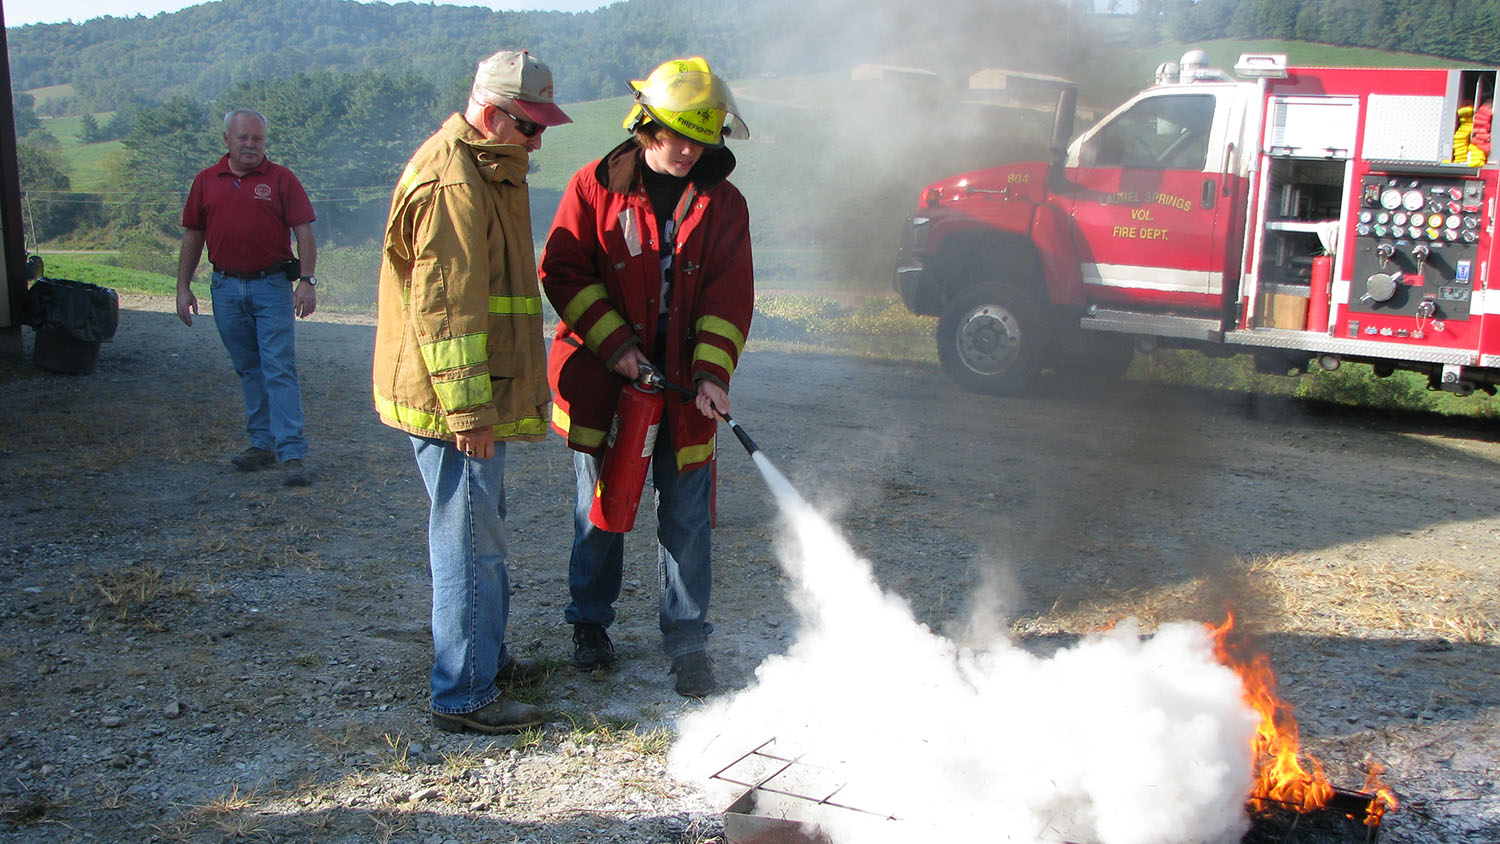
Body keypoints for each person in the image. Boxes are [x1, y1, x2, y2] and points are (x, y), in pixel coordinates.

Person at [540, 57, 753, 699]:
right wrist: (619, 348)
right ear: (646, 126)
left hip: (687, 395)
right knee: (602, 510)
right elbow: (564, 271)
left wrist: (713, 374)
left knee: (686, 517)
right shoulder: (593, 187)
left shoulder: (724, 203)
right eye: (678, 136)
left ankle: (688, 642)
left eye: (702, 137)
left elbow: (729, 293)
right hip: (610, 386)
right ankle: (589, 627)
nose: (690, 150)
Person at [374, 49, 571, 734]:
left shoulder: (488, 166)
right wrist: (467, 411)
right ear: (492, 115)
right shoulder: (456, 181)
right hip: (454, 404)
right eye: (530, 127)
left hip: (476, 397)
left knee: (482, 532)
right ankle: (464, 694)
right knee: (467, 542)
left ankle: (484, 657)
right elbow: (446, 308)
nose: (539, 141)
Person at [177, 108, 318, 488]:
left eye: (257, 139)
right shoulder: (206, 181)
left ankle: (291, 452)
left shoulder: (281, 179)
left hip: (271, 286)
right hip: (224, 288)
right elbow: (193, 235)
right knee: (248, 368)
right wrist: (182, 287)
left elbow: (304, 231)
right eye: (243, 138)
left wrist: (307, 281)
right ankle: (261, 444)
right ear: (227, 139)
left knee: (279, 367)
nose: (251, 145)